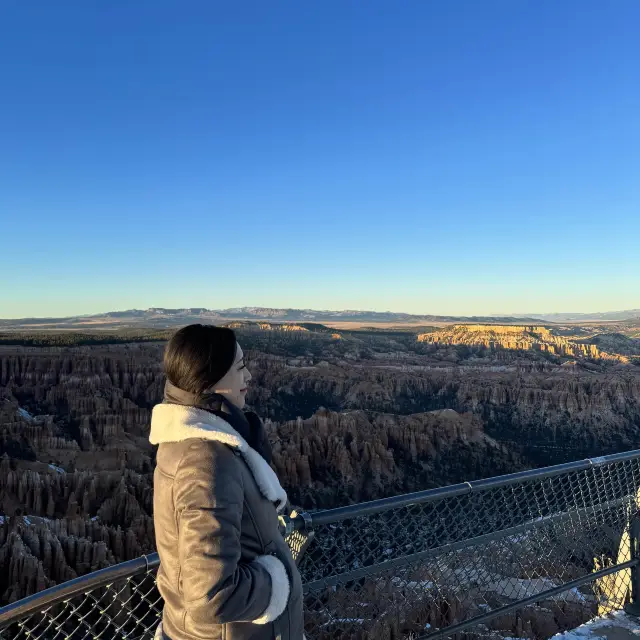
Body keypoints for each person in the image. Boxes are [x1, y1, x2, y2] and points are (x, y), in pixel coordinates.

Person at [150, 324, 304, 640]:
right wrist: (276, 579)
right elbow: (211, 597)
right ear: (211, 379)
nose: (248, 377)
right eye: (240, 367)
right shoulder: (205, 459)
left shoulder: (195, 443)